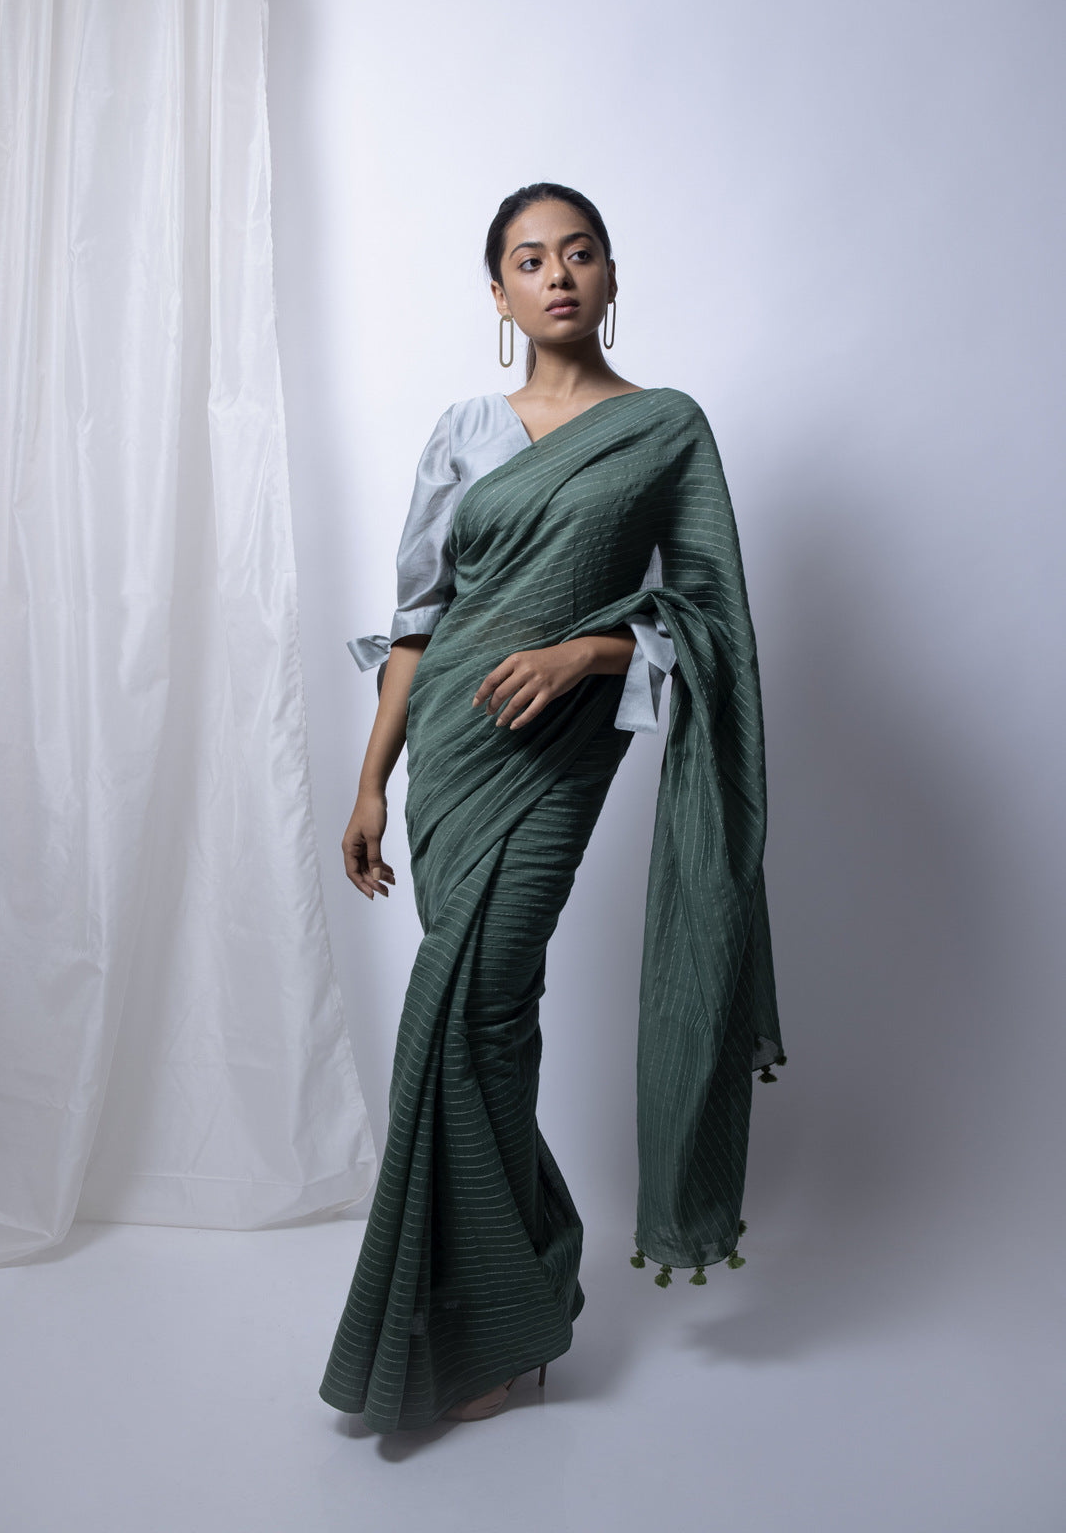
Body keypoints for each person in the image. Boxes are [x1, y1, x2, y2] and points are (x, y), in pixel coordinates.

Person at [319, 182, 784, 1434]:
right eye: (530, 260)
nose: (558, 275)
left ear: (612, 276)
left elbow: (712, 626)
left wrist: (589, 653)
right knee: (489, 1019)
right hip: (450, 752)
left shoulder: (664, 429)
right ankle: (507, 1301)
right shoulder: (464, 429)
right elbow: (418, 622)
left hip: (563, 749)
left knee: (470, 1002)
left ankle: (503, 1307)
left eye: (579, 254)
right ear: (499, 293)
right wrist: (369, 781)